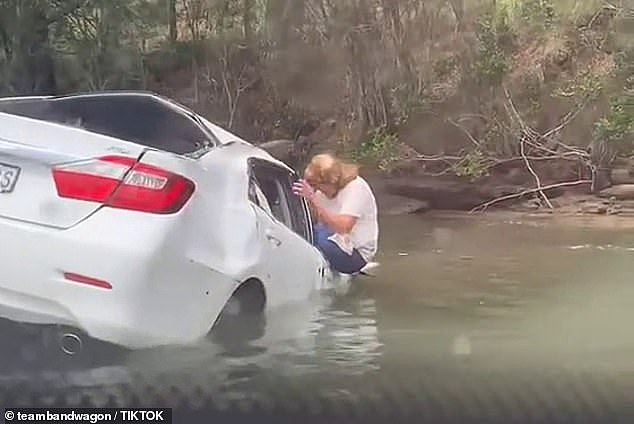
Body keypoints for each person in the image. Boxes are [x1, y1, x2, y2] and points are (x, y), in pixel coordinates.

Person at [292, 153, 378, 274]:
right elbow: (315, 220)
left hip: (356, 253)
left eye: (319, 187)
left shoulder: (356, 188)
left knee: (312, 236)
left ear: (332, 182)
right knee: (302, 232)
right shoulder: (320, 190)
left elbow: (343, 227)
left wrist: (313, 199)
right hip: (332, 238)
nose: (318, 191)